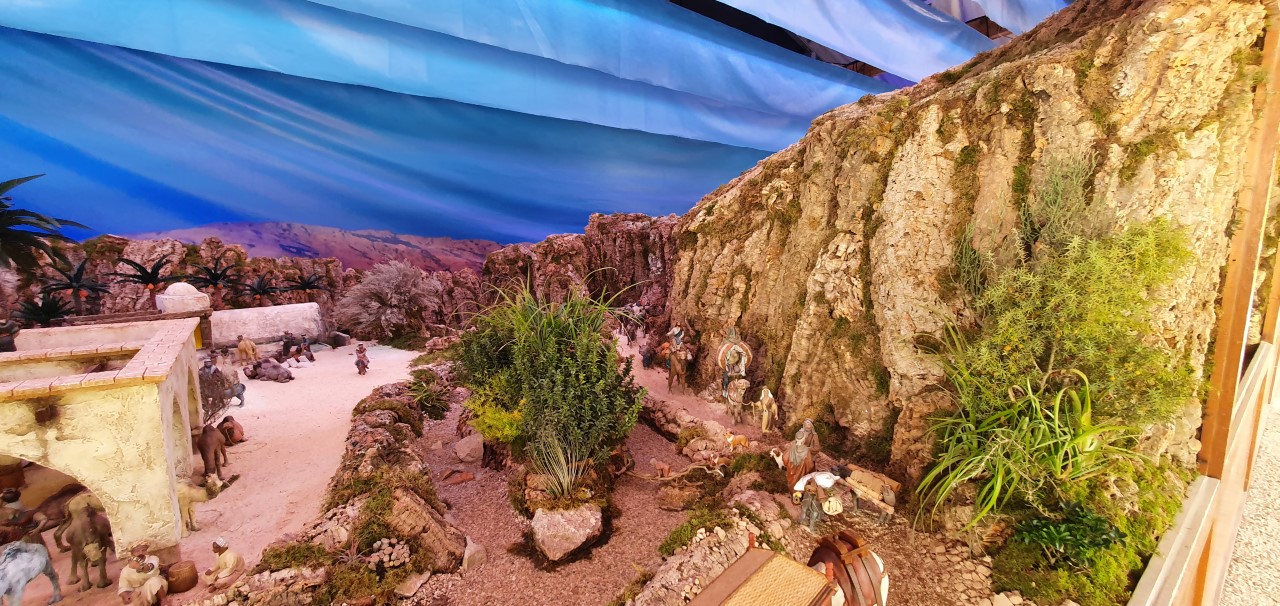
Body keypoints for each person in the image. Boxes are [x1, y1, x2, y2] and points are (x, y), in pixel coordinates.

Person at [785, 419, 821, 491]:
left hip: (808, 454)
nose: (807, 426)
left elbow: (817, 448)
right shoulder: (800, 432)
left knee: (807, 473)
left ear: (811, 426)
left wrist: (807, 449)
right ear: (804, 425)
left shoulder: (814, 435)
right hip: (798, 454)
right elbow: (796, 441)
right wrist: (794, 445)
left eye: (809, 424)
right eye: (806, 424)